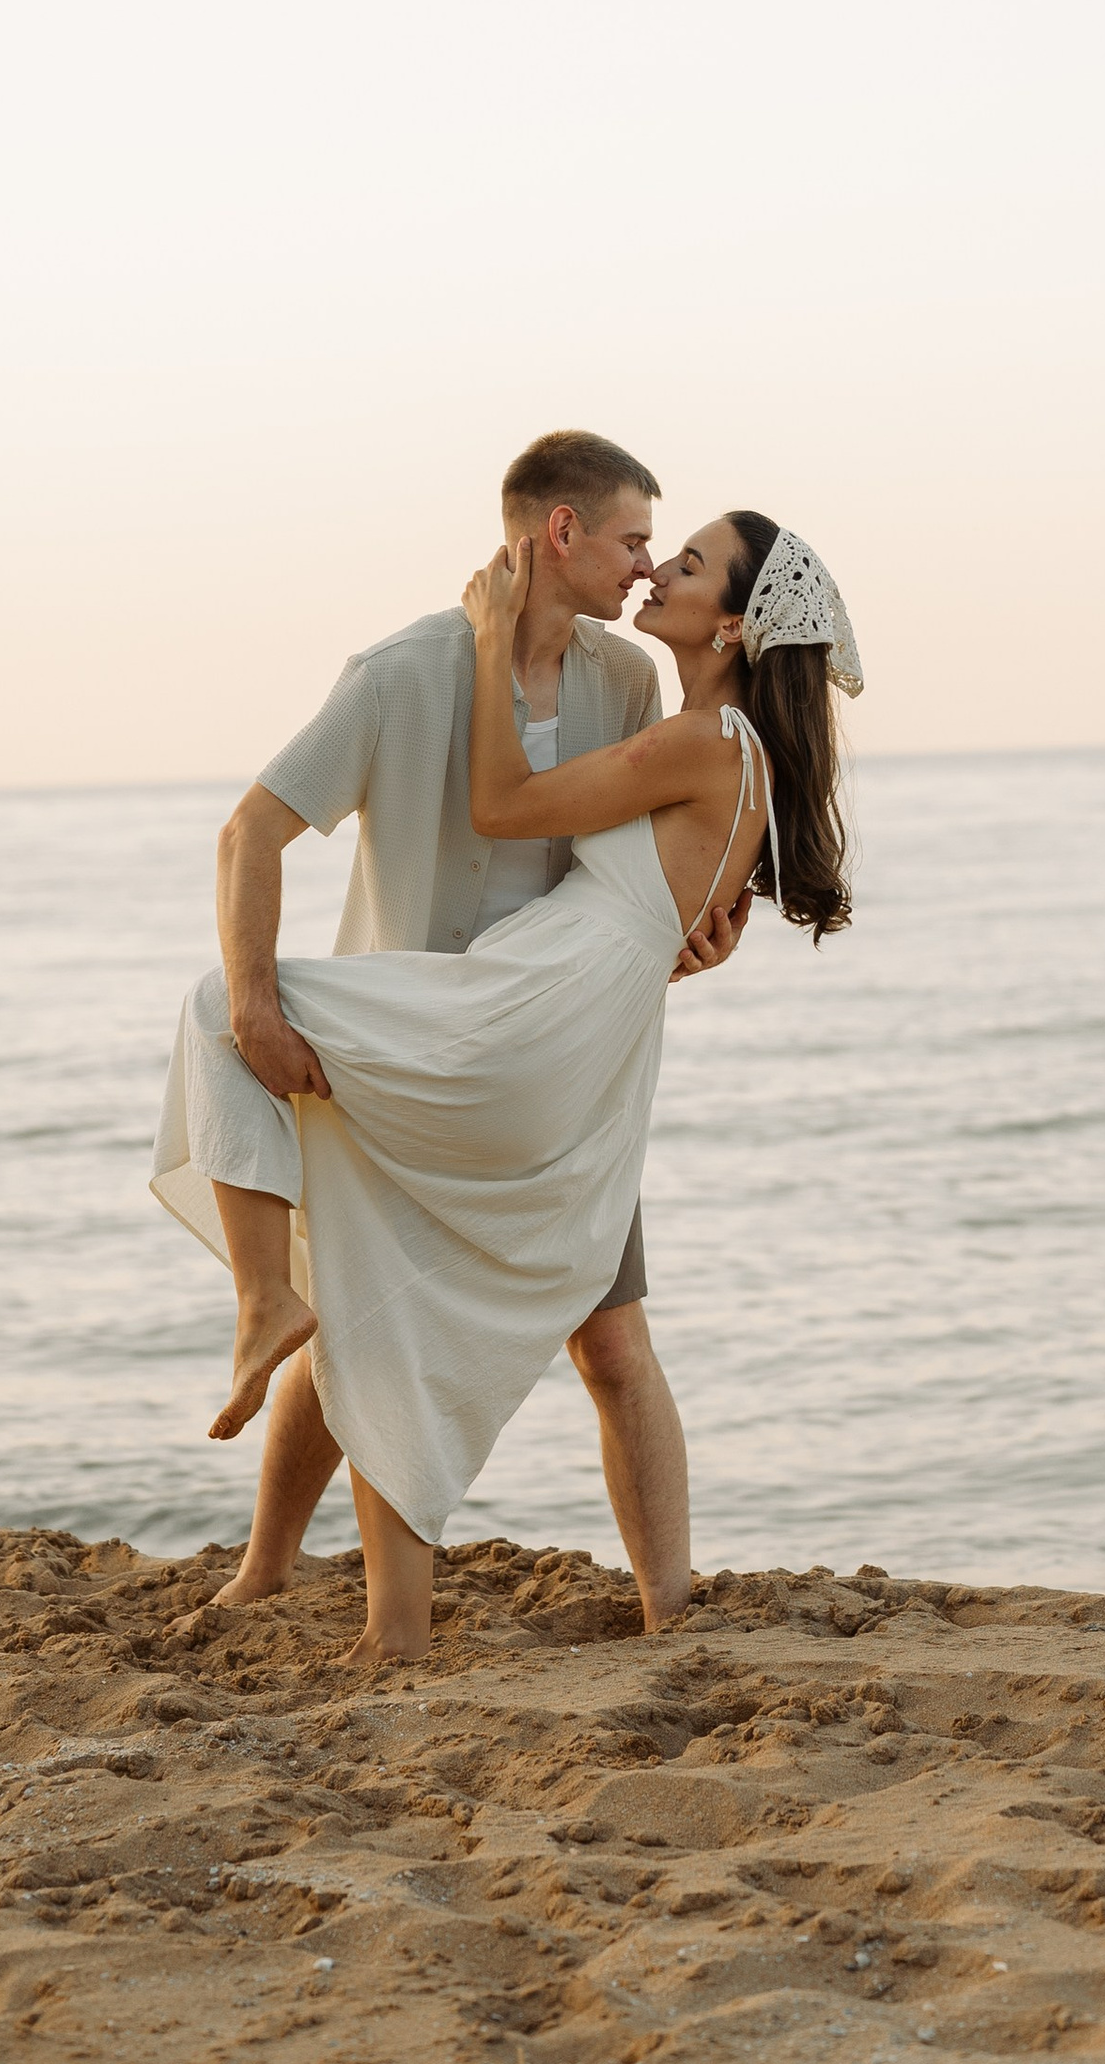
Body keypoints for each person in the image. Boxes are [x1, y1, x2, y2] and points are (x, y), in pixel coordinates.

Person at [151, 500, 860, 1666]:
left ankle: (265, 1300)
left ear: (732, 628)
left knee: (222, 1009)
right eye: (649, 546)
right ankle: (350, 1585)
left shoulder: (692, 734)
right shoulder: (719, 748)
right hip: (565, 1036)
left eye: (681, 561)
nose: (655, 569)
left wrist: (486, 639)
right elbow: (658, 912)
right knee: (394, 1289)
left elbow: (502, 807)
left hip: (520, 1026)